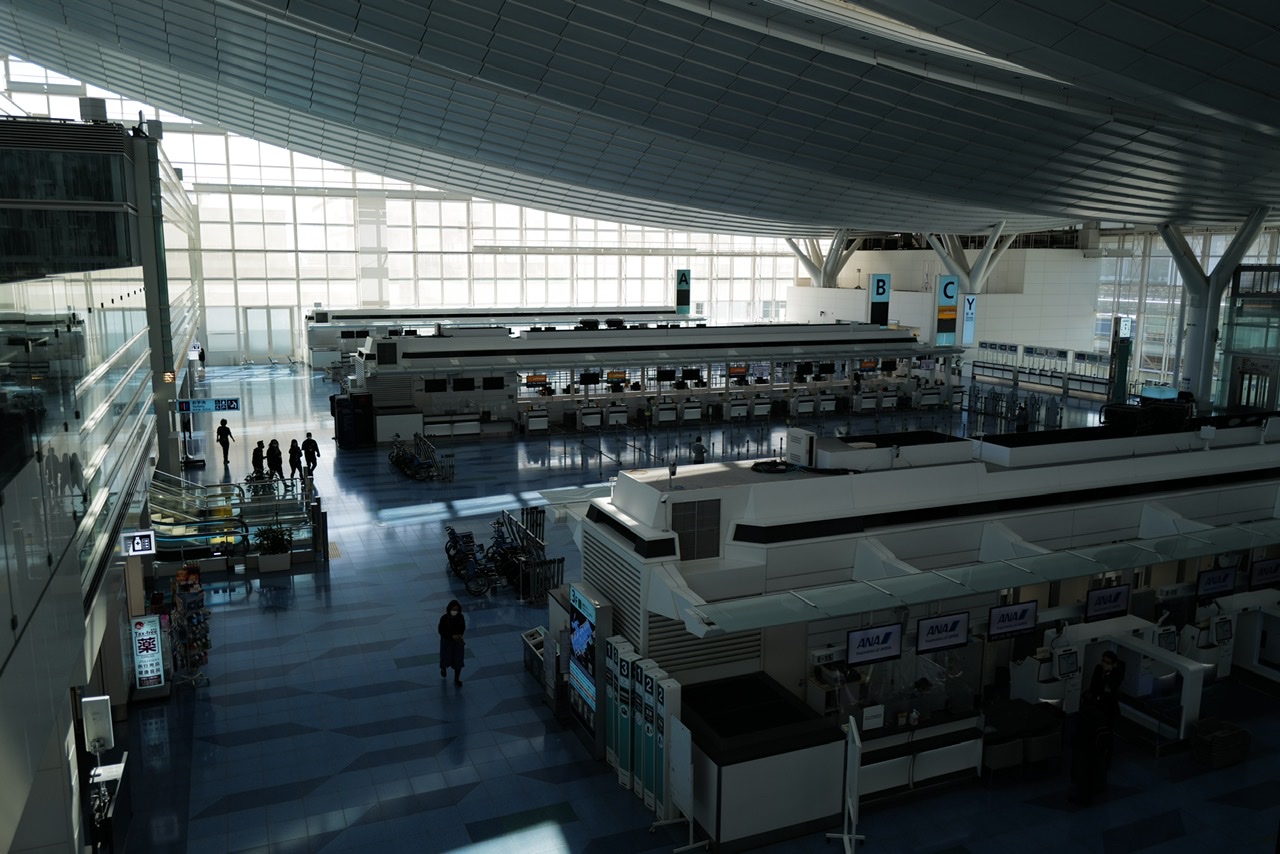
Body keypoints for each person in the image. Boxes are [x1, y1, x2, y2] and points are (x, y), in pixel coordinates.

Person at [1069, 693, 1113, 805]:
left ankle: (1083, 798)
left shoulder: (1083, 715)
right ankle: (1094, 790)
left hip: (1084, 748)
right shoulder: (1100, 713)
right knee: (1093, 771)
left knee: (1082, 774)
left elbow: (1079, 733)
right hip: (1096, 749)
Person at [1088, 650, 1125, 723]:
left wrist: (1108, 673)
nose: (1104, 664)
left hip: (1109, 704)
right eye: (1103, 661)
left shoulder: (1117, 673)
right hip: (1097, 700)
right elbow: (1093, 683)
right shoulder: (1098, 668)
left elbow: (1113, 687)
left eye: (1108, 663)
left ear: (1113, 664)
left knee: (1108, 723)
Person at [438, 600, 466, 686]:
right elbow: (441, 630)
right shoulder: (444, 618)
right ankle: (443, 668)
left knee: (458, 660)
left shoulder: (460, 617)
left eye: (456, 610)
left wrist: (459, 635)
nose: (455, 611)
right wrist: (451, 636)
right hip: (447, 643)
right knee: (445, 658)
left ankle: (456, 679)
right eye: (453, 609)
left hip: (457, 642)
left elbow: (463, 627)